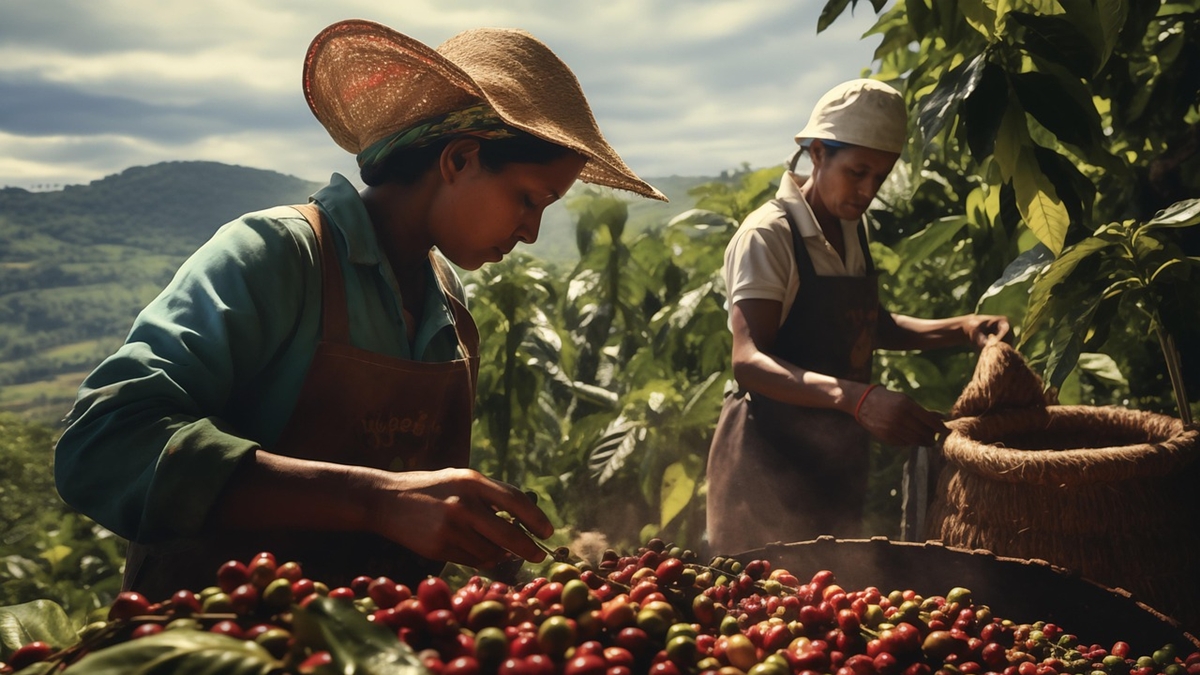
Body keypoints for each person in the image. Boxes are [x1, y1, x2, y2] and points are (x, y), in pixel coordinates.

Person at [54, 19, 665, 599]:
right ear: (458, 159)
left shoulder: (448, 307)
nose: (530, 231)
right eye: (528, 199)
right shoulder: (278, 255)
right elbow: (103, 445)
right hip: (216, 636)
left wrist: (502, 555)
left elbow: (415, 505)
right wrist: (374, 500)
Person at [704, 79, 1009, 555]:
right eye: (858, 172)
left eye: (880, 177)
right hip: (766, 464)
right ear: (818, 153)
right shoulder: (769, 236)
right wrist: (859, 399)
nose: (868, 191)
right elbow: (748, 361)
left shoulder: (849, 226)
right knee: (764, 592)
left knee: (832, 587)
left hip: (832, 459)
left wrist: (963, 328)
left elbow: (866, 324)